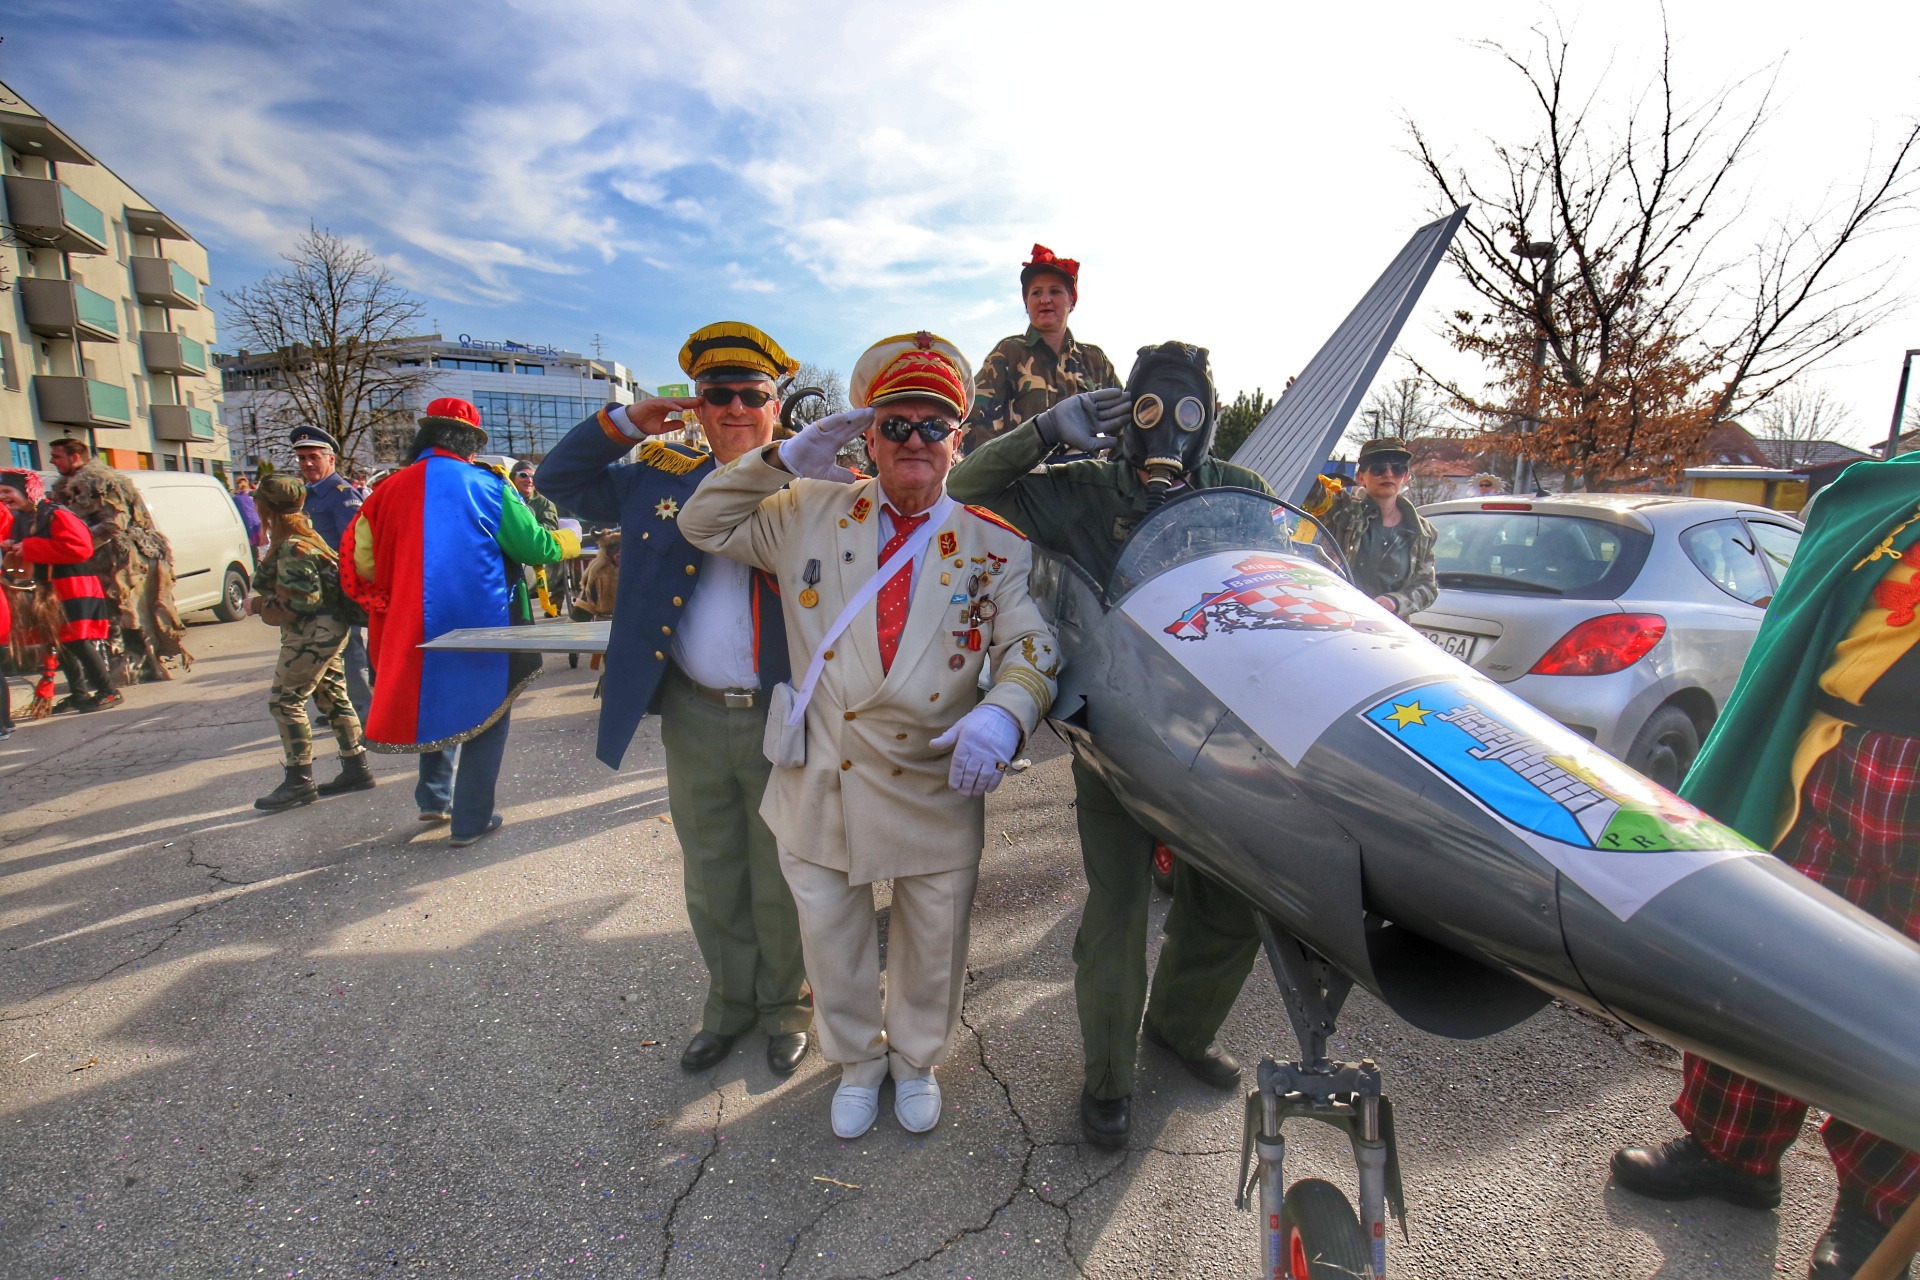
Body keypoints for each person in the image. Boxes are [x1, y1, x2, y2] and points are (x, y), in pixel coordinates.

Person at [680, 330, 1059, 1140]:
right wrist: (781, 459)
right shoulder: (807, 509)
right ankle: (856, 1060)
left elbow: (1032, 646)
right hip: (824, 770)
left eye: (934, 425)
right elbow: (703, 522)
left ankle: (915, 1059)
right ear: (870, 438)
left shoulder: (995, 544)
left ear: (959, 439)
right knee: (831, 935)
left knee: (933, 937)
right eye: (896, 424)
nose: (915, 439)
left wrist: (1006, 710)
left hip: (934, 775)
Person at [946, 340, 1268, 1149]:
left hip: (1219, 739)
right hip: (1119, 737)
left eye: (1187, 411)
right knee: (1117, 914)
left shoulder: (1238, 494)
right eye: (1150, 408)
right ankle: (1109, 1081)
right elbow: (967, 485)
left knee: (1231, 907)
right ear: (1128, 414)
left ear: (1209, 420)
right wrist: (1045, 431)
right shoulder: (1084, 489)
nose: (1169, 430)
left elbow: (1284, 575)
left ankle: (1182, 1029)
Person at [1610, 449, 1920, 1280]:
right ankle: (1732, 1152)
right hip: (1833, 751)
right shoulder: (1893, 493)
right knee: (1763, 956)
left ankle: (1873, 1211)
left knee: (1906, 1009)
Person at [537, 322, 811, 1078]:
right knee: (712, 870)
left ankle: (787, 1006)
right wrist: (627, 422)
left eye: (751, 394)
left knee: (782, 870)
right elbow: (558, 481)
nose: (734, 408)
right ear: (697, 404)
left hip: (784, 714)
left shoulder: (813, 485)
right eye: (717, 394)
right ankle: (728, 1005)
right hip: (694, 710)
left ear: (775, 404)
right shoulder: (657, 477)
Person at [341, 398, 579, 846]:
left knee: (435, 700)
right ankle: (471, 820)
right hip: (486, 623)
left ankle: (434, 798)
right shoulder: (488, 485)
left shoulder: (383, 492)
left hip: (410, 624)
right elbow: (536, 548)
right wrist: (570, 537)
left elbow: (362, 565)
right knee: (488, 713)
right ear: (471, 445)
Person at [246, 474, 376, 812]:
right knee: (331, 697)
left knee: (284, 702)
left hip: (312, 634)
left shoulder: (294, 547)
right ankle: (356, 768)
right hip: (327, 631)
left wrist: (258, 605)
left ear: (266, 507)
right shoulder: (306, 536)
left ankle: (299, 781)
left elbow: (301, 602)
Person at [48, 437, 189, 681]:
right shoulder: (65, 487)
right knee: (110, 617)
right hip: (96, 562)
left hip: (120, 561)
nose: (52, 461)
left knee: (127, 615)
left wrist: (79, 544)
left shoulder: (101, 482)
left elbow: (114, 523)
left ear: (74, 457)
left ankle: (135, 668)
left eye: (56, 456)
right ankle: (117, 670)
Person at [961, 244, 1120, 453]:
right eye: (1036, 293)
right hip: (1024, 471)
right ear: (1026, 303)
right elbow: (974, 424)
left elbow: (1127, 423)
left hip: (1086, 471)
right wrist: (1002, 467)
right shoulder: (1008, 353)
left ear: (1072, 302)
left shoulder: (1095, 360)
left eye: (1055, 291)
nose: (1045, 300)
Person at [0, 469, 117, 721]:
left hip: (73, 583)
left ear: (27, 490)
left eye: (8, 491)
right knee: (59, 640)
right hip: (49, 586)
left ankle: (108, 691)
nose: (3, 497)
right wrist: (11, 545)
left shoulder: (56, 513)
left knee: (76, 640)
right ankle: (79, 693)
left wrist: (29, 547)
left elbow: (81, 548)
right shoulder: (23, 518)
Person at [1306, 437, 1439, 618]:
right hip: (1338, 619)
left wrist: (1395, 601)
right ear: (1361, 477)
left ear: (1406, 476)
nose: (1388, 474)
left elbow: (1427, 587)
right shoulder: (1342, 509)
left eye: (1398, 469)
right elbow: (1309, 489)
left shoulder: (1422, 531)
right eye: (1378, 468)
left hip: (1387, 627)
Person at [291, 425, 371, 719]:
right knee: (321, 651)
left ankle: (363, 711)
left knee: (349, 651)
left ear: (331, 459)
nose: (307, 463)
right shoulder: (307, 494)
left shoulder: (342, 495)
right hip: (311, 587)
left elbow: (353, 545)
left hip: (336, 587)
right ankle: (336, 707)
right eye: (302, 458)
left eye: (314, 457)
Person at [511, 463, 564, 617]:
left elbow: (550, 527)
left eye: (533, 476)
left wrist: (526, 532)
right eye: (523, 475)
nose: (529, 480)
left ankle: (555, 603)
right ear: (513, 478)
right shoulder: (507, 500)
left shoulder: (544, 502)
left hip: (536, 551)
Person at [230, 474, 263, 565]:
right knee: (255, 546)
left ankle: (256, 560)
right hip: (255, 523)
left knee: (251, 545)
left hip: (245, 524)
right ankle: (258, 559)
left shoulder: (235, 499)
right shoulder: (250, 496)